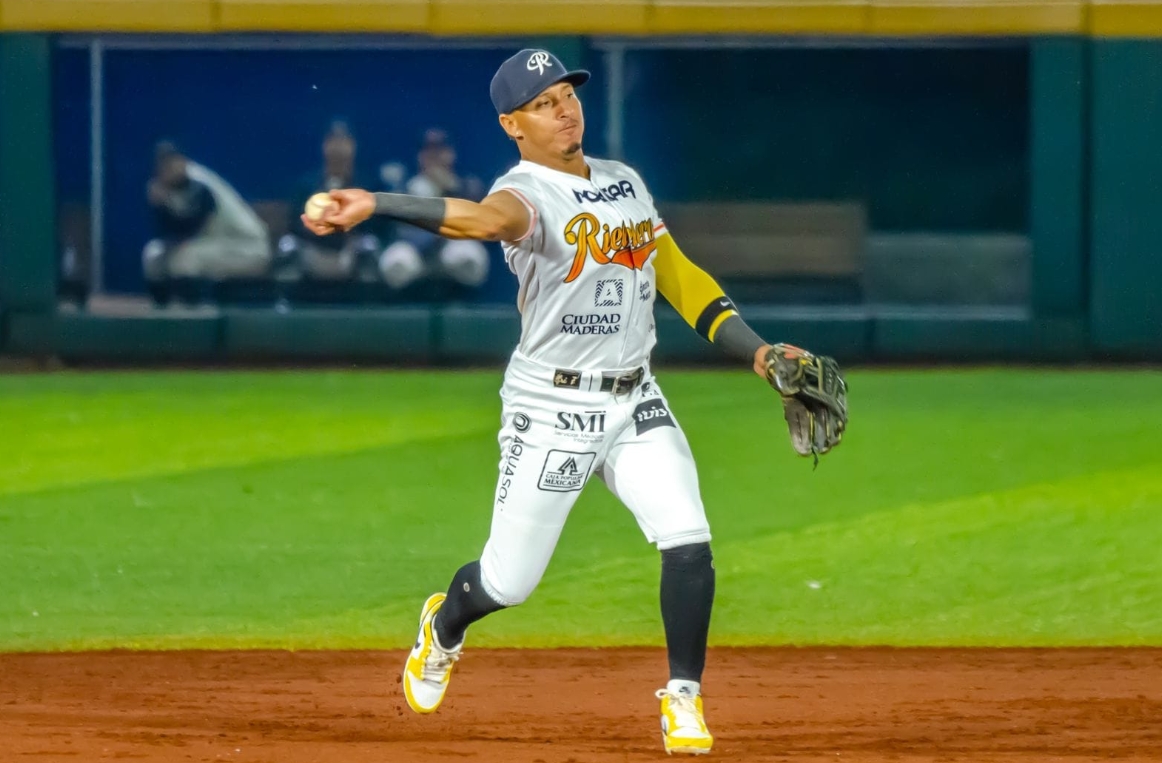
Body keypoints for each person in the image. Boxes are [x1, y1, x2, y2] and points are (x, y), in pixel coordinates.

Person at [301, 49, 843, 756]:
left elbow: (679, 276)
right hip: (551, 408)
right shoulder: (523, 194)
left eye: (568, 95)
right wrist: (376, 203)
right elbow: (477, 222)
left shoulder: (624, 182)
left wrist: (759, 351)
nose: (565, 110)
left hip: (635, 397)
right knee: (508, 581)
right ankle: (444, 626)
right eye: (544, 102)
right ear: (512, 124)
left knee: (687, 538)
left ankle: (683, 697)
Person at [143, 142, 269, 305]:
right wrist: (160, 208)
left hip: (248, 248)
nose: (169, 168)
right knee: (153, 254)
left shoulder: (199, 184)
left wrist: (164, 204)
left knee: (186, 258)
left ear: (184, 162)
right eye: (164, 164)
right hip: (217, 244)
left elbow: (193, 226)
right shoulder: (164, 186)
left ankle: (194, 313)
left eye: (173, 161)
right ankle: (160, 310)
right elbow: (167, 231)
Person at [377, 129, 490, 291]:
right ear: (420, 156)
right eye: (429, 151)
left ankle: (467, 300)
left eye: (440, 150)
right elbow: (400, 231)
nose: (434, 157)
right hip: (415, 251)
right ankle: (402, 304)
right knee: (397, 260)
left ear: (451, 154)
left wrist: (452, 190)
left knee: (468, 256)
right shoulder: (407, 188)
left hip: (453, 247)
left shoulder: (467, 186)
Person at [280, 122, 380, 283]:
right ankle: (287, 299)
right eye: (333, 141)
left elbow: (375, 225)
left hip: (351, 251)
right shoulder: (306, 185)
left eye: (343, 141)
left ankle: (368, 298)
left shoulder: (366, 186)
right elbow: (294, 224)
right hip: (313, 249)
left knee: (369, 246)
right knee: (289, 246)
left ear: (353, 146)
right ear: (324, 146)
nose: (338, 148)